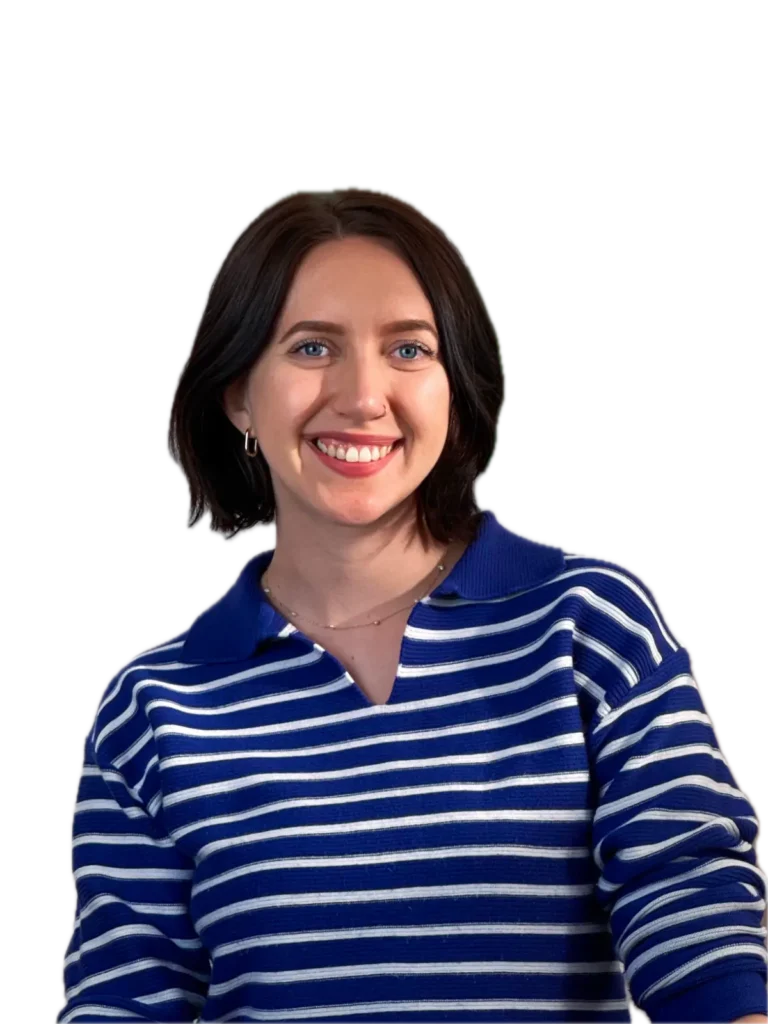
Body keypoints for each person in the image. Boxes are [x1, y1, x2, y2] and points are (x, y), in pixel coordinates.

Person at [57, 186, 768, 1023]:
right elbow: (124, 998)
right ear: (239, 393)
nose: (364, 396)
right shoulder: (152, 709)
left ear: (454, 386)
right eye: (312, 347)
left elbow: (691, 905)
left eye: (408, 349)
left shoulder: (588, 625)